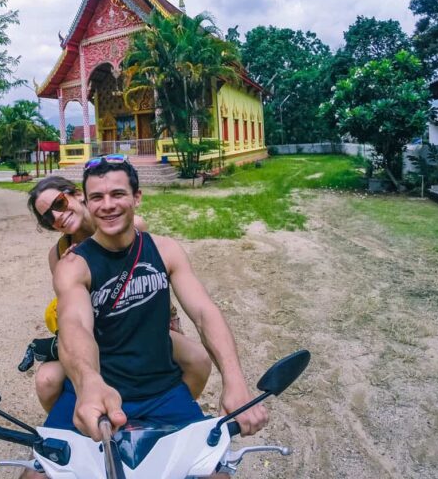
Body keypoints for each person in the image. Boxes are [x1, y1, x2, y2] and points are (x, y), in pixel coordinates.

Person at [48, 155, 268, 443]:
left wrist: (235, 382)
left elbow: (204, 313)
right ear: (88, 203)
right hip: (97, 392)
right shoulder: (73, 265)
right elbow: (74, 324)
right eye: (97, 197)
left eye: (118, 194)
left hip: (163, 392)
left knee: (213, 470)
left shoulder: (167, 250)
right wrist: (89, 382)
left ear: (137, 197)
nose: (108, 205)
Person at [23, 176, 211, 411]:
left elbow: (151, 275)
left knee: (198, 359)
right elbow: (73, 310)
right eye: (47, 218)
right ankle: (77, 433)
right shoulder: (60, 255)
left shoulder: (133, 226)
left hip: (137, 326)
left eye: (59, 204)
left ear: (77, 194)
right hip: (97, 333)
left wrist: (171, 318)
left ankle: (165, 419)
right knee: (45, 380)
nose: (57, 217)